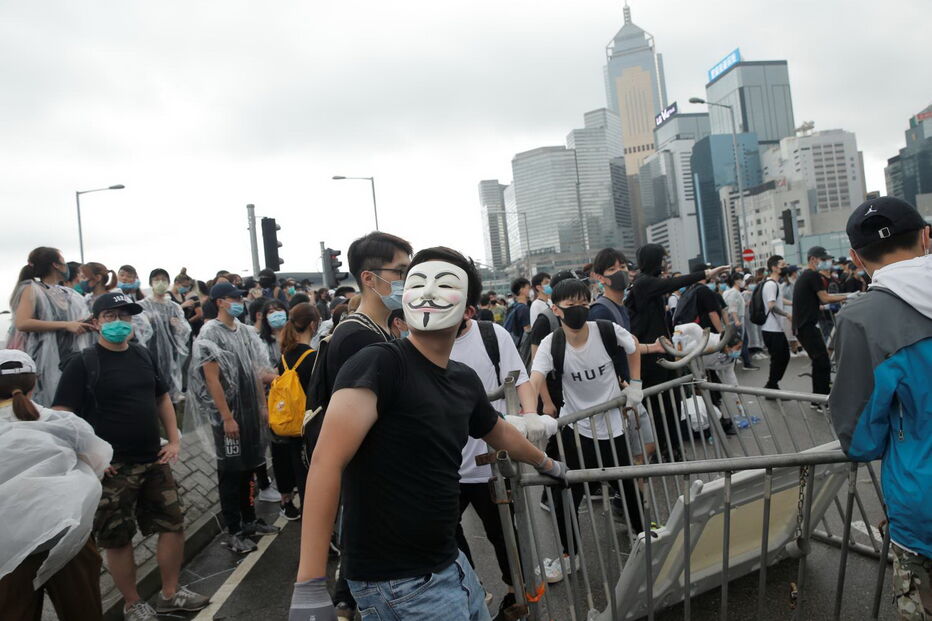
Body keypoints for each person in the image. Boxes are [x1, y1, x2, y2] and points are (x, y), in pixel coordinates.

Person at [290, 247, 567, 621]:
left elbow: (499, 432)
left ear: (468, 309)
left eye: (445, 284)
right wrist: (309, 585)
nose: (429, 293)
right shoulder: (378, 363)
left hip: (451, 565)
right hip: (396, 583)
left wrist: (547, 463)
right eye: (417, 282)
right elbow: (326, 462)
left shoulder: (462, 380)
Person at [52, 292, 209, 620]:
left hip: (154, 459)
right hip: (112, 469)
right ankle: (132, 603)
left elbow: (162, 397)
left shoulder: (141, 354)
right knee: (117, 539)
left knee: (173, 525)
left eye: (125, 316)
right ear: (95, 322)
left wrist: (174, 440)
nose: (119, 322)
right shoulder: (83, 363)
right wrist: (89, 456)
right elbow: (63, 414)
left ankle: (170, 592)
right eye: (110, 316)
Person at [828, 197, 932, 619]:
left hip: (923, 503)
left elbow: (860, 439)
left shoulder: (863, 318)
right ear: (926, 236)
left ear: (856, 258)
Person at [310, 231, 413, 618]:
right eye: (401, 271)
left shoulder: (380, 329)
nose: (408, 279)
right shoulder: (357, 337)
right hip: (379, 488)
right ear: (369, 278)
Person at [530, 278, 651, 580]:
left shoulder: (605, 330)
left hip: (613, 427)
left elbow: (633, 346)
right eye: (571, 305)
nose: (579, 310)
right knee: (565, 493)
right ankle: (569, 555)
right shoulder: (551, 343)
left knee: (628, 487)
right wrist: (531, 414)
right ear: (556, 309)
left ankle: (644, 539)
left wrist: (635, 383)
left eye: (584, 303)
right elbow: (535, 378)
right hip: (575, 428)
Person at [0, 350, 112, 621]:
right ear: (35, 382)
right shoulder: (64, 423)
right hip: (67, 535)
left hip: (10, 546)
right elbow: (98, 461)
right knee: (84, 613)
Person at [451, 301, 544, 618]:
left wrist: (529, 415)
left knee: (503, 534)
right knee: (445, 535)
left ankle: (516, 592)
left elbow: (520, 380)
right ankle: (470, 588)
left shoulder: (492, 336)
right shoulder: (420, 342)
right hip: (444, 465)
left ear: (468, 310)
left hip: (490, 463)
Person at [186, 282, 279, 556]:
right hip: (228, 416)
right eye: (233, 298)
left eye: (240, 298)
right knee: (230, 471)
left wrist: (262, 406)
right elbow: (212, 379)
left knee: (250, 466)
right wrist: (226, 417)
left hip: (250, 412)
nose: (238, 302)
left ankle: (249, 520)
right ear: (219, 302)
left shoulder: (245, 331)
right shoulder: (210, 334)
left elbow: (254, 370)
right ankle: (234, 530)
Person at [625, 244, 728, 458]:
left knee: (671, 406)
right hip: (652, 358)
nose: (665, 264)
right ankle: (665, 451)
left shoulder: (646, 283)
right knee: (660, 408)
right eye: (662, 259)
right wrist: (707, 273)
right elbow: (674, 283)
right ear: (654, 260)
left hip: (663, 352)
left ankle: (672, 449)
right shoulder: (644, 283)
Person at [9, 247, 93, 405]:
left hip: (66, 358)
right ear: (56, 265)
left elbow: (69, 321)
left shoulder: (66, 292)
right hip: (42, 361)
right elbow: (22, 322)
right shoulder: (32, 289)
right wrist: (66, 325)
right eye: (63, 261)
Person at [271, 302, 320, 520]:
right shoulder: (313, 357)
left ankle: (307, 521)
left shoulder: (284, 357)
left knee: (302, 476)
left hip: (292, 426)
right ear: (313, 325)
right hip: (311, 428)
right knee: (316, 480)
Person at [792, 247, 849, 397]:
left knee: (819, 362)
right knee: (822, 362)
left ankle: (818, 397)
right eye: (823, 259)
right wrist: (848, 296)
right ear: (812, 259)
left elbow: (818, 300)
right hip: (806, 326)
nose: (826, 262)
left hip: (804, 326)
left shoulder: (806, 275)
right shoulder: (813, 275)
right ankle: (821, 397)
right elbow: (825, 297)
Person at [139, 268, 191, 405]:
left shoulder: (174, 307)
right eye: (156, 280)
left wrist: (178, 325)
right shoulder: (143, 306)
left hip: (171, 350)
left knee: (169, 377)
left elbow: (184, 330)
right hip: (150, 349)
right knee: (151, 378)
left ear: (168, 283)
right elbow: (138, 331)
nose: (160, 283)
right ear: (150, 283)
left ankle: (170, 406)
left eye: (163, 280)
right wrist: (147, 322)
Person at [760, 255, 792, 390]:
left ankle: (772, 384)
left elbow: (779, 299)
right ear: (774, 268)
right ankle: (771, 385)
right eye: (782, 265)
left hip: (775, 329)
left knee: (782, 357)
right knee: (780, 358)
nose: (785, 267)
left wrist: (794, 303)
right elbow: (772, 306)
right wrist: (787, 314)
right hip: (771, 329)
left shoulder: (774, 284)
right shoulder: (770, 285)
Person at [722, 272, 758, 371]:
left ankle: (742, 362)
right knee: (740, 341)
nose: (743, 282)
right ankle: (745, 363)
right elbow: (732, 307)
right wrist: (737, 320)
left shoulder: (730, 292)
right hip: (736, 320)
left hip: (734, 319)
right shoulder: (734, 293)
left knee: (740, 341)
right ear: (736, 281)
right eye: (741, 280)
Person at [504, 277, 531, 345]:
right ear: (522, 290)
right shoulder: (524, 308)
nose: (530, 290)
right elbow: (527, 330)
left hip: (512, 343)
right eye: (528, 288)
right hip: (520, 346)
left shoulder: (512, 307)